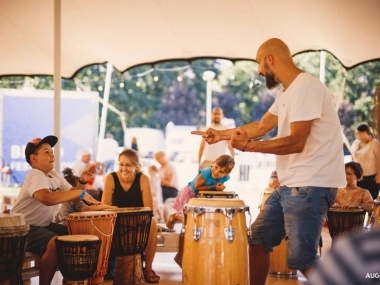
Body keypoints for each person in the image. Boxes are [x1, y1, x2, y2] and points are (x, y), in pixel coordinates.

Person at [192, 38, 346, 284]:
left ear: (270, 59)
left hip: (310, 184)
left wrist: (250, 147)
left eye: (259, 63)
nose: (259, 71)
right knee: (258, 240)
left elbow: (297, 141)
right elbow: (262, 126)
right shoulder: (288, 91)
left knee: (303, 260)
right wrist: (219, 135)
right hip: (290, 185)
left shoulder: (305, 87)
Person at [10, 135, 101, 285]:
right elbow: (46, 198)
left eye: (51, 151)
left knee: (77, 234)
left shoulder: (53, 174)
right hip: (22, 228)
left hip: (42, 225)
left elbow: (75, 195)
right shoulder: (36, 175)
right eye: (46, 152)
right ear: (33, 158)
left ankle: (70, 279)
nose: (52, 155)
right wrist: (80, 193)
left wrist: (83, 181)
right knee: (54, 243)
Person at [102, 149, 160, 283]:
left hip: (138, 221)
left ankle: (148, 268)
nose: (124, 168)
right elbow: (104, 207)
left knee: (152, 223)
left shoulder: (143, 179)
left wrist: (132, 217)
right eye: (121, 164)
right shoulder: (110, 178)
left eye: (128, 165)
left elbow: (148, 210)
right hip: (116, 222)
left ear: (136, 166)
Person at [166, 154, 235, 229]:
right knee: (189, 221)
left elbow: (216, 186)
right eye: (216, 167)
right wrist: (214, 187)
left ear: (226, 174)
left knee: (197, 221)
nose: (216, 172)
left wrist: (219, 187)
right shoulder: (206, 173)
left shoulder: (224, 178)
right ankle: (175, 217)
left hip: (200, 197)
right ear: (214, 163)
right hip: (190, 194)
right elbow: (197, 187)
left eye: (221, 172)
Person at [351, 123, 380, 200]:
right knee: (359, 198)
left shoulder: (375, 143)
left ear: (364, 133)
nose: (356, 135)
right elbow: (353, 157)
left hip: (371, 177)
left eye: (358, 133)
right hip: (359, 176)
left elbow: (378, 159)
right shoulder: (356, 143)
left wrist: (379, 175)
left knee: (371, 199)